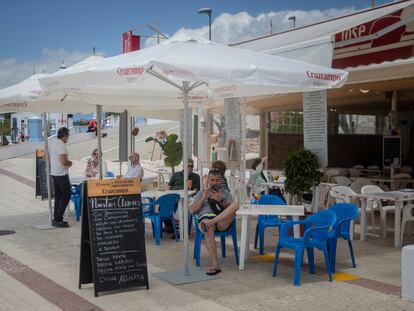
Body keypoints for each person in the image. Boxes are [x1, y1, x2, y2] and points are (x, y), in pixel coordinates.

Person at [190, 168, 239, 275]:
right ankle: (215, 264)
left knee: (235, 204)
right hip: (206, 220)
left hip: (221, 221)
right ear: (208, 180)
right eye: (212, 180)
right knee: (208, 227)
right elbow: (192, 210)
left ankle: (211, 223)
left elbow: (231, 209)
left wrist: (221, 200)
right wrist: (203, 198)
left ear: (220, 180)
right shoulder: (201, 193)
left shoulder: (225, 192)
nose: (214, 183)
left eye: (217, 180)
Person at [49, 127, 72, 228]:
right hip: (62, 174)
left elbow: (45, 156)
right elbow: (63, 161)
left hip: (54, 173)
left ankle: (56, 218)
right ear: (64, 135)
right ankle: (58, 219)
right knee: (66, 195)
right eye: (68, 135)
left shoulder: (52, 142)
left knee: (58, 196)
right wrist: (69, 163)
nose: (68, 137)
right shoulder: (61, 145)